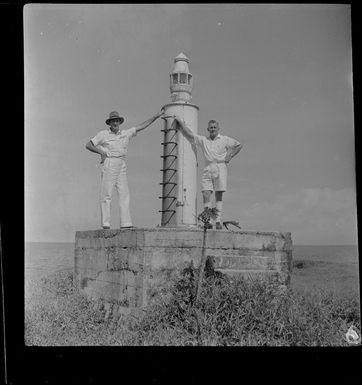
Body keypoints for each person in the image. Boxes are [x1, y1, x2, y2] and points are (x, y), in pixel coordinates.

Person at [86, 109, 164, 229]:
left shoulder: (126, 133)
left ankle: (126, 223)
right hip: (110, 161)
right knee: (106, 194)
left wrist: (157, 116)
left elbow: (141, 126)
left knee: (124, 194)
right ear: (109, 123)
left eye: (117, 121)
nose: (115, 123)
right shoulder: (103, 134)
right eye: (113, 121)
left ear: (120, 122)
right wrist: (101, 151)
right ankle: (105, 223)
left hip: (121, 163)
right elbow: (89, 145)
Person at [173, 117, 242, 229]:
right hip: (208, 167)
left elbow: (239, 145)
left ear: (218, 128)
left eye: (214, 127)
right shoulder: (204, 140)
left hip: (220, 166)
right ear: (208, 129)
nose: (213, 129)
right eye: (211, 128)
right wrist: (180, 123)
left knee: (219, 194)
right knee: (205, 193)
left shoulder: (224, 139)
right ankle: (208, 220)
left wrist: (230, 155)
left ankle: (218, 220)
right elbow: (190, 134)